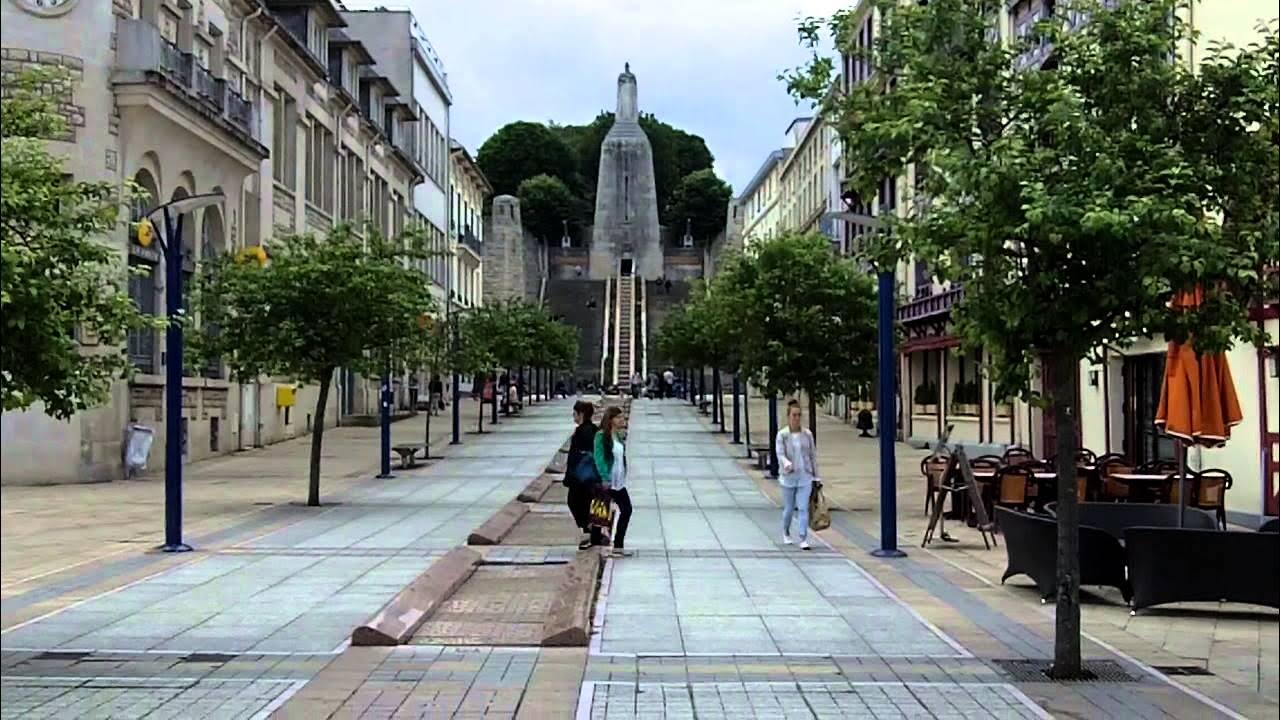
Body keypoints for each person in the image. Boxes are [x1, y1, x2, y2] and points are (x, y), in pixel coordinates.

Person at [775, 399, 819, 550]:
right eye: (794, 415)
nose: (797, 418)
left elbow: (812, 455)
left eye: (799, 415)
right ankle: (786, 532)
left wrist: (816, 476)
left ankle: (803, 537)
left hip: (804, 476)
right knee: (788, 508)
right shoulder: (782, 435)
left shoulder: (807, 435)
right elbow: (779, 453)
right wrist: (786, 463)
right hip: (788, 477)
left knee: (803, 508)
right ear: (788, 416)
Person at [593, 406, 634, 557]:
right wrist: (604, 477)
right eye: (618, 418)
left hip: (619, 481)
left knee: (626, 510)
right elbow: (598, 458)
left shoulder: (618, 436)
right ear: (610, 419)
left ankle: (618, 545)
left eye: (622, 418)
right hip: (608, 481)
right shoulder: (601, 436)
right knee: (603, 513)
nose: (621, 420)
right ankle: (603, 544)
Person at [566, 401, 603, 549]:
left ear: (581, 414)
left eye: (574, 413)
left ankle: (589, 530)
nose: (573, 416)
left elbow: (578, 454)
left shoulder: (583, 431)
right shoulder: (593, 429)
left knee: (575, 501)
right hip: (591, 475)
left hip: (582, 476)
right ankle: (592, 533)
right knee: (586, 503)